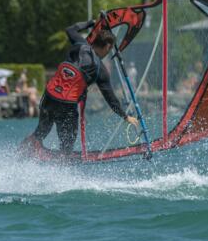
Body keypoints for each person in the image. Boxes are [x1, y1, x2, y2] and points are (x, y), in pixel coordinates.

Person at [19, 20, 138, 159]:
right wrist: (125, 116)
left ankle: (20, 155)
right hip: (67, 106)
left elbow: (70, 29)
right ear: (106, 46)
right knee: (66, 146)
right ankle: (61, 170)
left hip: (49, 96)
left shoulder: (79, 45)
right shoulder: (100, 70)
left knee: (40, 133)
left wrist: (91, 23)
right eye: (109, 49)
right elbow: (111, 100)